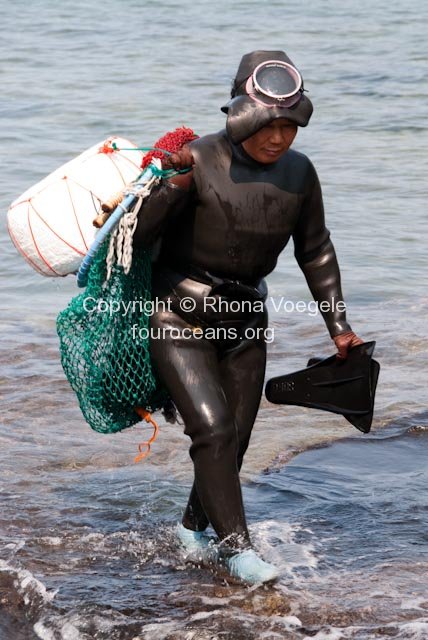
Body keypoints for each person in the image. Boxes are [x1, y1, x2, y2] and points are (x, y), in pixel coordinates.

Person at [132, 50, 363, 584]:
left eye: (289, 126)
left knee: (235, 435)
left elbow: (316, 251)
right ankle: (237, 549)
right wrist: (173, 188)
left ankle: (193, 528)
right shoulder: (196, 160)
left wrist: (338, 326)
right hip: (177, 316)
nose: (279, 138)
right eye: (268, 125)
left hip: (246, 319)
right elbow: (141, 241)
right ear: (240, 114)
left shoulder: (301, 175)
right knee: (210, 429)